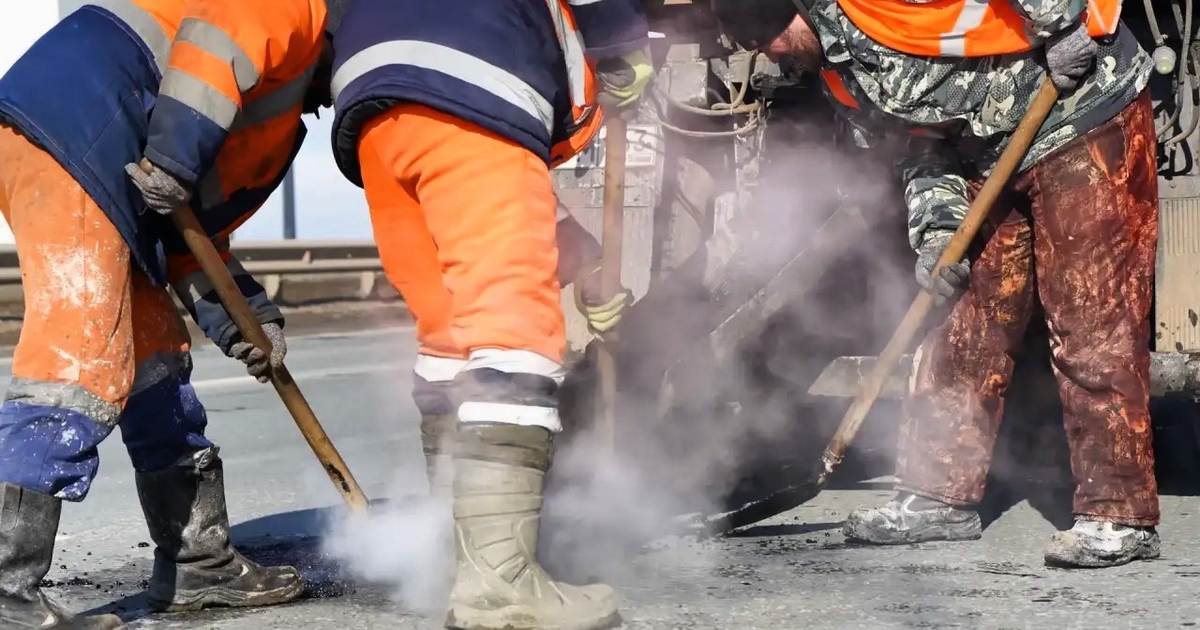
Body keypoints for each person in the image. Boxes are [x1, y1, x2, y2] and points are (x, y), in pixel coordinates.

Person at [710, 0, 1160, 568]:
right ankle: (938, 498)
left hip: (1084, 114)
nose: (770, 54)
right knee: (961, 327)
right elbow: (918, 151)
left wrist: (1068, 23)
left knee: (1092, 318)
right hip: (990, 152)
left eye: (769, 36)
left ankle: (1118, 513)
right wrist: (938, 236)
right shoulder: (842, 80)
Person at [0, 0, 349, 626]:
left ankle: (199, 564)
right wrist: (172, 157)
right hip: (79, 128)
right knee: (79, 360)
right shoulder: (304, 9)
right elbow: (220, 40)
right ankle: (6, 592)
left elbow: (186, 229)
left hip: (107, 157)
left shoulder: (273, 104)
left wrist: (245, 318)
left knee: (156, 363)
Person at [327, 0, 650, 626]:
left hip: (372, 104)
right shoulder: (487, 68)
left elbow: (472, 193)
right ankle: (500, 590)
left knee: (450, 336)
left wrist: (585, 265)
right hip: (476, 77)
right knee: (514, 338)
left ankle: (460, 559)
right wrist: (620, 39)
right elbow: (481, 151)